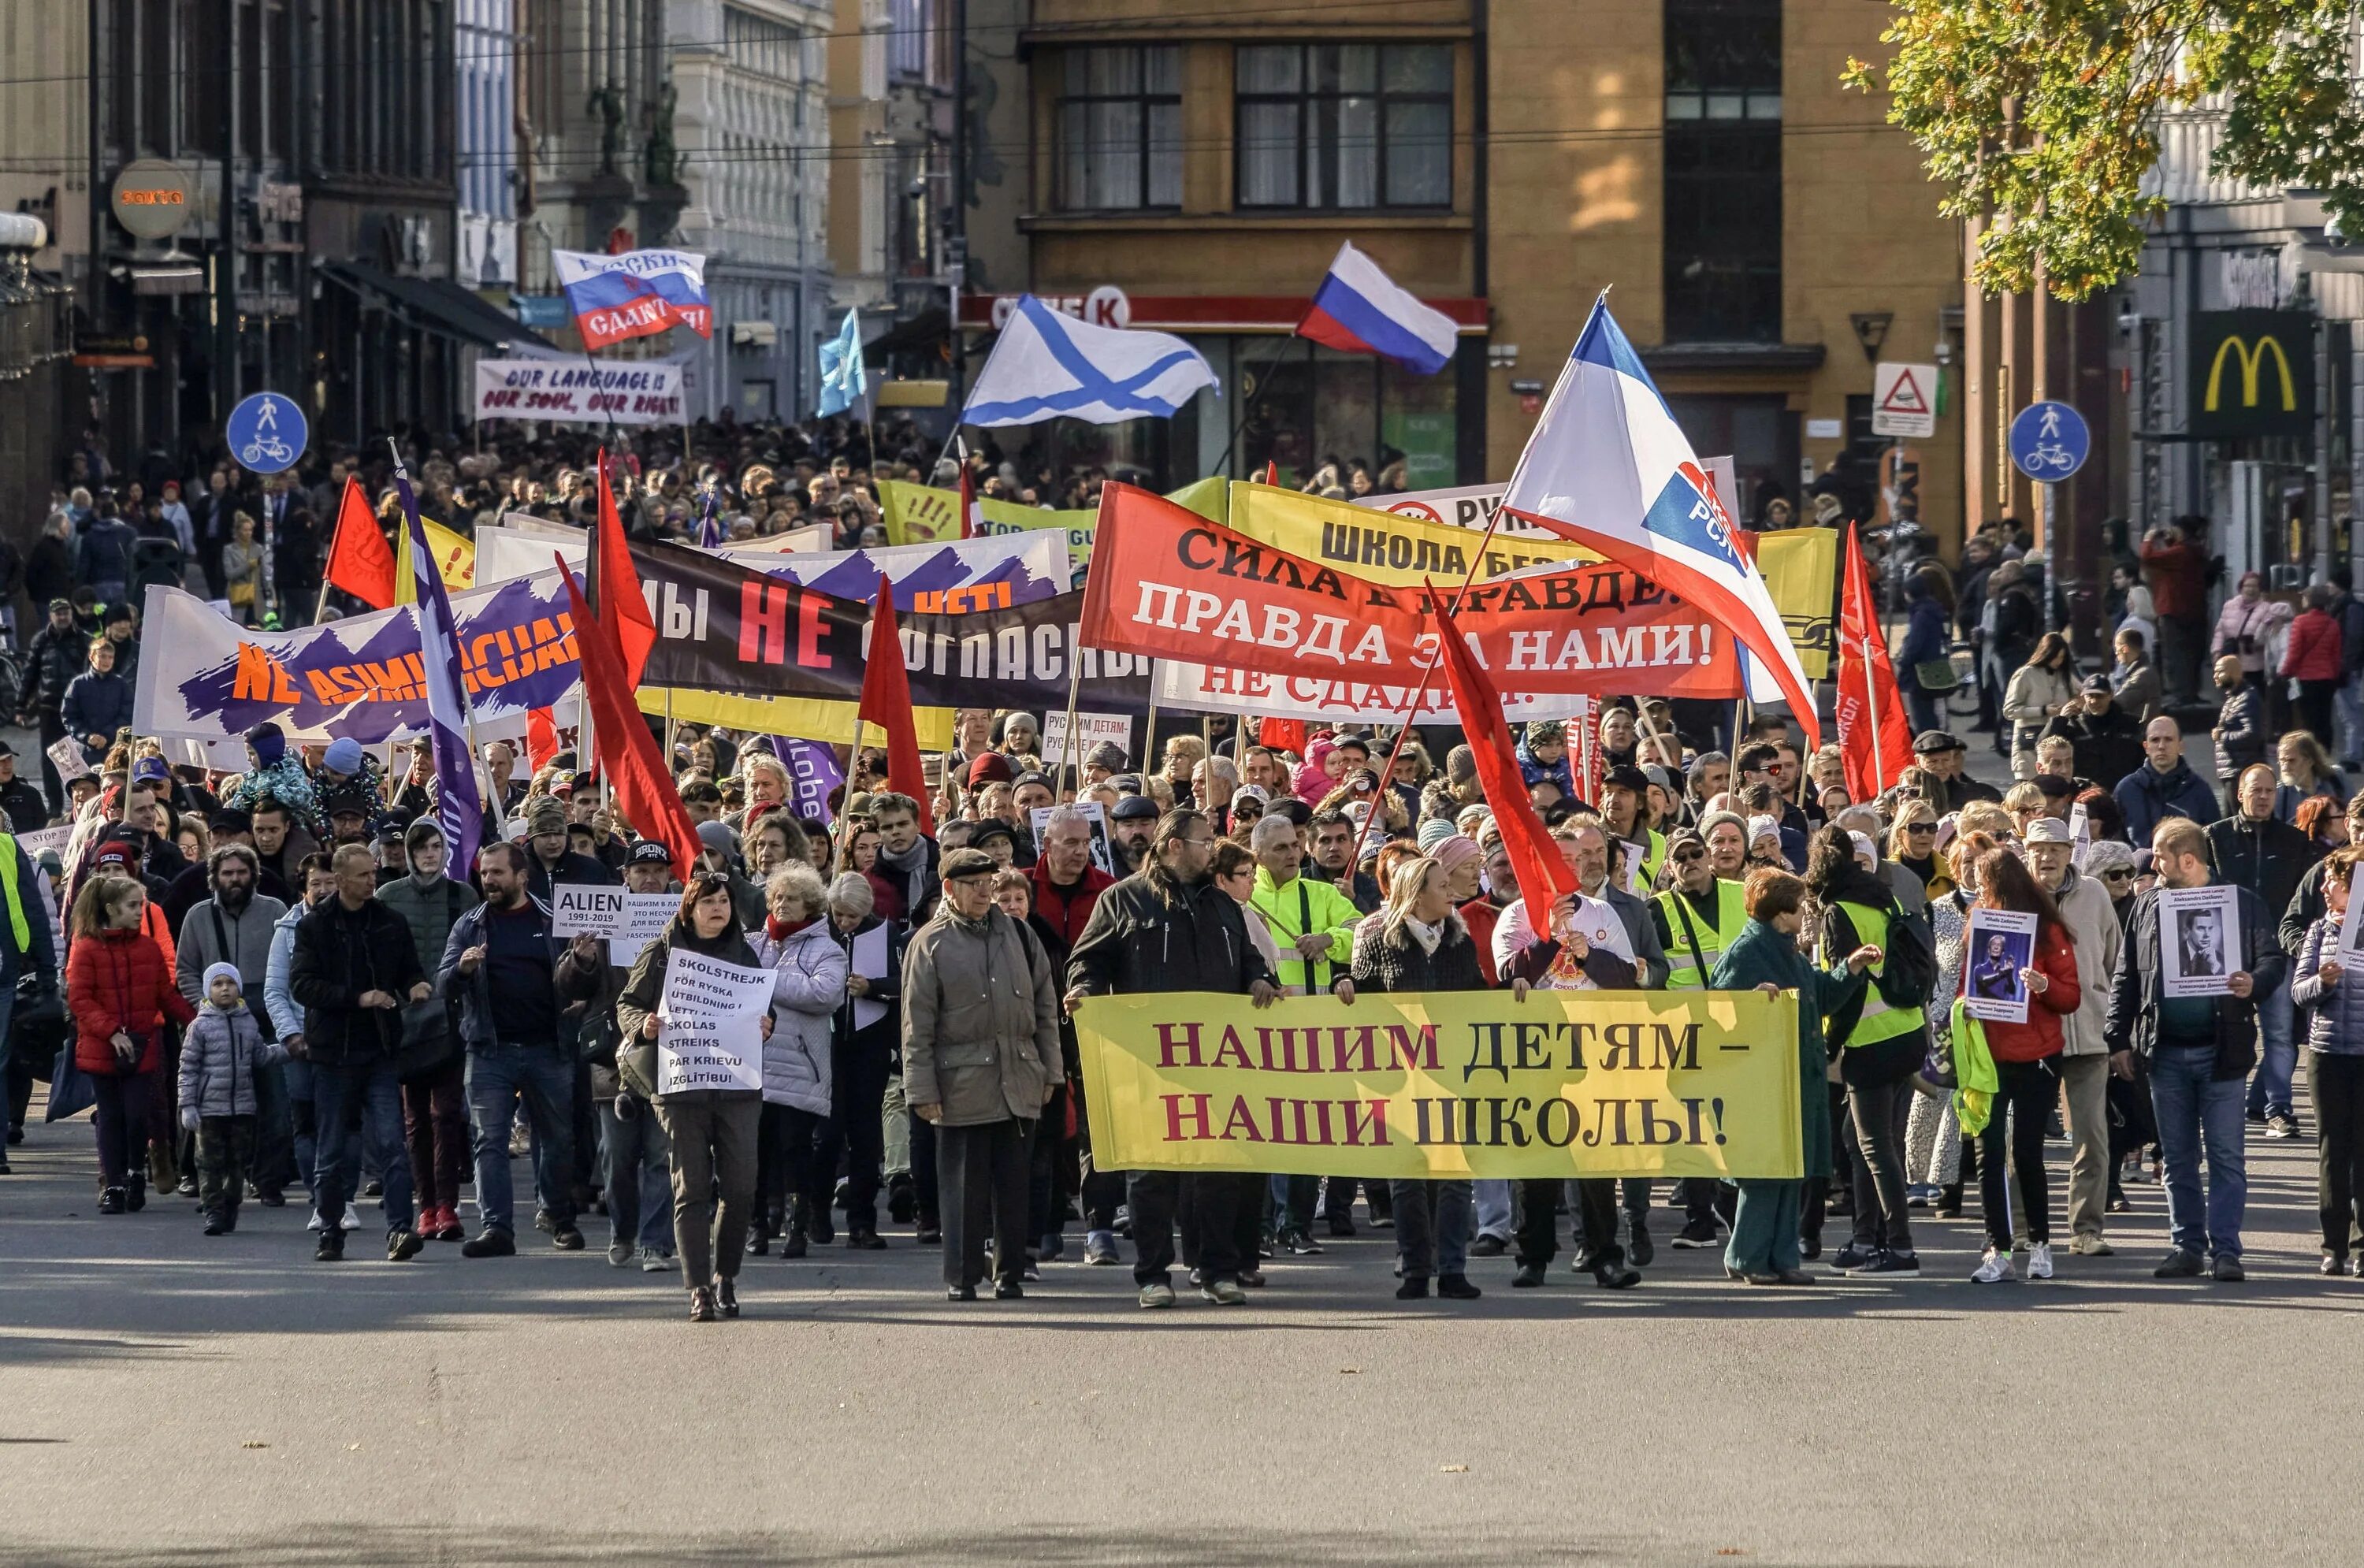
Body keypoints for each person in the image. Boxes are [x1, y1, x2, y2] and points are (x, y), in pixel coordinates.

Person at [1066, 808, 1280, 1310]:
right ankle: (1153, 1274)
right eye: (1205, 841)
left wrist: (1258, 979)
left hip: (1218, 1061)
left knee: (1219, 1170)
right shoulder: (1123, 899)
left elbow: (1249, 957)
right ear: (1173, 846)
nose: (1213, 850)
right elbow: (1089, 959)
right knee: (1152, 1174)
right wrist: (1083, 990)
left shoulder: (1223, 905)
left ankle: (1216, 1270)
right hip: (1150, 1059)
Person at [2106, 818, 2285, 1282]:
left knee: (2226, 1157)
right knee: (2179, 1158)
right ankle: (2186, 1246)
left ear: (2188, 860)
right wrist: (2117, 1039)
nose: (2153, 864)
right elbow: (2126, 975)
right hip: (2163, 1053)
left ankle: (2227, 1251)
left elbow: (2272, 958)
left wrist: (2253, 983)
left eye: (2160, 857)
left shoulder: (2240, 904)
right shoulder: (2147, 907)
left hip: (2222, 1052)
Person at [903, 846, 1063, 1300]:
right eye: (973, 885)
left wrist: (1051, 1070)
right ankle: (963, 1276)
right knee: (963, 1190)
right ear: (949, 889)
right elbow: (917, 1024)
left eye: (988, 884)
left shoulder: (1019, 932)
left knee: (1015, 1185)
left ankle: (1009, 1273)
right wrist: (921, 1089)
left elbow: (1045, 1007)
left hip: (1019, 1077)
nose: (983, 892)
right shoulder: (929, 943)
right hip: (960, 1084)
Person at [616, 871, 771, 1323]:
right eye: (708, 902)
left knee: (741, 1187)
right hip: (681, 1086)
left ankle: (726, 1276)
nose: (718, 909)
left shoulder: (743, 953)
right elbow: (627, 1003)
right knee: (693, 1187)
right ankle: (699, 1287)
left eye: (724, 901)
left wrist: (768, 1024)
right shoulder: (663, 953)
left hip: (737, 1086)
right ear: (689, 907)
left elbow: (765, 1007)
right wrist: (641, 1023)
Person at [1711, 868, 1878, 1285]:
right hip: (1762, 1084)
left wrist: (1850, 969)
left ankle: (1782, 1258)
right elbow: (1717, 1012)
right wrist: (1750, 1003)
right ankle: (1747, 1257)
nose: (1806, 912)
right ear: (1778, 910)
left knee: (1791, 1170)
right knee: (1765, 1172)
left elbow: (1818, 994)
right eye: (1799, 905)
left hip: (1797, 1082)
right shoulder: (1746, 952)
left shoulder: (1789, 951)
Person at [1347, 854, 1489, 1302]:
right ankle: (1414, 1269)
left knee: (1452, 1179)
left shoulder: (1460, 943)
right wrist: (1341, 984)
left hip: (1450, 1078)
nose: (1451, 892)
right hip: (1398, 1080)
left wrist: (1513, 991)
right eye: (1441, 885)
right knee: (1407, 1179)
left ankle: (1451, 1270)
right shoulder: (1380, 944)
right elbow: (1363, 992)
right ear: (1416, 893)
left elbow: (1478, 1002)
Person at [437, 839, 582, 1257]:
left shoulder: (555, 919)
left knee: (556, 1138)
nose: (489, 880)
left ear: (522, 876)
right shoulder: (470, 925)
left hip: (547, 1048)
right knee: (489, 1140)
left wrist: (584, 963)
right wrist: (463, 969)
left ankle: (557, 1217)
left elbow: (584, 981)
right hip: (489, 1050)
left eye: (498, 873)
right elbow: (443, 984)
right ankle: (497, 1228)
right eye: (484, 873)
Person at [288, 843, 431, 1262]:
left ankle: (400, 1229)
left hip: (380, 1050)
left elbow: (409, 969)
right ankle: (330, 1229)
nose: (372, 880)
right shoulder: (315, 927)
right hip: (333, 1054)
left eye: (373, 873)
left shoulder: (390, 921)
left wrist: (415, 986)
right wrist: (357, 998)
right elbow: (302, 985)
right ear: (341, 879)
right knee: (332, 1147)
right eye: (363, 875)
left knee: (391, 1142)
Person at [1807, 825, 1927, 1275]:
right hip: (1907, 1031)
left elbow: (1847, 986)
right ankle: (1866, 1239)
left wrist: (1830, 1043)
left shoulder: (1840, 911)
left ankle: (1899, 1245)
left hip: (1871, 1042)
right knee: (1866, 1144)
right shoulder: (1883, 898)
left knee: (1874, 1147)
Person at [1959, 845, 2081, 1284]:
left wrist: (2043, 984)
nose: (1974, 887)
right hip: (1989, 1060)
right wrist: (1965, 1008)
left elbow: (2071, 997)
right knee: (1987, 1154)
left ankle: (2041, 1245)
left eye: (1980, 880)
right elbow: (1963, 987)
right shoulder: (1977, 923)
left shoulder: (2047, 930)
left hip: (2037, 1059)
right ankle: (1998, 1249)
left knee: (2028, 1153)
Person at [2024, 817, 2125, 1256]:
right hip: (2031, 1038)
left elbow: (2114, 961)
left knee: (2091, 1137)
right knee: (2023, 1139)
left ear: (2071, 851)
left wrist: (2114, 1021)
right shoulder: (2014, 898)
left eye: (2056, 849)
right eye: (2038, 849)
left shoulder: (2096, 893)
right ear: (2026, 852)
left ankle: (2086, 1230)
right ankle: (2022, 1230)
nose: (2047, 857)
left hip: (2089, 1033)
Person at [69, 874, 199, 1213]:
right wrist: (111, 1031)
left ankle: (134, 1172)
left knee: (138, 1115)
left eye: (141, 904)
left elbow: (164, 995)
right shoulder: (86, 948)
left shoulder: (148, 948)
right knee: (111, 1117)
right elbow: (80, 1000)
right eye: (132, 906)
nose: (141, 912)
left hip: (141, 1045)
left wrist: (196, 1020)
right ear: (111, 909)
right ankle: (113, 1183)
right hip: (103, 1048)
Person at [377, 820, 480, 1244]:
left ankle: (448, 1207)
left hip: (452, 1019)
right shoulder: (388, 897)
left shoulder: (464, 895)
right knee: (416, 1118)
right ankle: (425, 1207)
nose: (429, 854)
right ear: (407, 851)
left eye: (436, 845)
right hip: (404, 1022)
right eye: (421, 847)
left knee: (448, 1113)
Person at [171, 842, 289, 1204]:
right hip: (212, 1020)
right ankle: (194, 1175)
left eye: (241, 872)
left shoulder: (275, 910)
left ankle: (267, 1180)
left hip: (264, 1014)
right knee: (205, 1100)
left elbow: (288, 963)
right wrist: (205, 1005)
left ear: (253, 875)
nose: (234, 879)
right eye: (227, 873)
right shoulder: (197, 916)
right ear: (214, 878)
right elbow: (185, 970)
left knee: (273, 1102)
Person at [2208, 762, 2319, 1139]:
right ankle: (2223, 1104)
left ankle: (2279, 1109)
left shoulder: (2294, 842)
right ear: (2240, 793)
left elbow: (2305, 902)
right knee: (2225, 1032)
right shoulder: (2215, 838)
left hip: (2277, 954)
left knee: (2280, 1035)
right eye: (2255, 790)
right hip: (2225, 954)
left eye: (2269, 791)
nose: (2262, 797)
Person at [749, 864, 850, 1259]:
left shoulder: (827, 949)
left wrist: (766, 980)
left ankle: (798, 1226)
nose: (782, 904)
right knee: (754, 1151)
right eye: (776, 897)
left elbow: (824, 994)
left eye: (791, 898)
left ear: (810, 905)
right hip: (753, 1069)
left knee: (794, 1149)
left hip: (799, 1069)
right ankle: (756, 1225)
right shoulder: (752, 943)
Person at [2292, 849, 2364, 1273]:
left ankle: (2362, 1246)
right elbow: (2297, 991)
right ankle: (2331, 1245)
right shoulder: (2320, 929)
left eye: (2333, 881)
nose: (2323, 888)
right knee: (2332, 1150)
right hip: (2328, 1052)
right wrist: (2323, 981)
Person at [823, 871, 901, 1250]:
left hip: (870, 1045)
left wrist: (872, 989)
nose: (843, 923)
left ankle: (862, 1220)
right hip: (830, 1044)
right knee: (828, 1131)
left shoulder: (884, 936)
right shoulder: (823, 933)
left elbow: (903, 985)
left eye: (851, 916)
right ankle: (817, 1214)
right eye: (838, 915)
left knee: (866, 1135)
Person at [178, 961, 287, 1235]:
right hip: (209, 1109)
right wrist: (188, 1105)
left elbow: (260, 1056)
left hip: (242, 1108)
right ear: (207, 991)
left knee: (237, 1163)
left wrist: (287, 1050)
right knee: (209, 1163)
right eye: (217, 984)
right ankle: (213, 1211)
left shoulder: (248, 1022)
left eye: (230, 983)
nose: (224, 989)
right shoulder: (199, 1027)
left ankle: (231, 1204)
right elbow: (188, 1068)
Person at [2115, 716, 2220, 846]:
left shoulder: (2200, 791)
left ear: (2180, 746)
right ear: (2146, 747)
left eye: (2168, 739)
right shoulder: (2126, 790)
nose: (2161, 746)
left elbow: (2215, 843)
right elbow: (2115, 843)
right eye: (2155, 740)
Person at [2042, 678, 2146, 796]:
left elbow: (2143, 760)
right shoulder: (2074, 725)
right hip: (2084, 796)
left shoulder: (2131, 724)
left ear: (2110, 695)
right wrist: (2060, 720)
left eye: (2099, 696)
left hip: (2125, 794)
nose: (2094, 701)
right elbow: (2044, 748)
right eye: (2090, 696)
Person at [2002, 632, 2078, 767]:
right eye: (2056, 657)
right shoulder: (2026, 674)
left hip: (2056, 740)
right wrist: (2042, 710)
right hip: (2029, 741)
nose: (2059, 662)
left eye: (2062, 658)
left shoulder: (2064, 675)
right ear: (2046, 653)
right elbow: (2009, 711)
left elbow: (2082, 692)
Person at [2285, 581, 2347, 744]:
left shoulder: (2300, 622)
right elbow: (2336, 654)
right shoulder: (2333, 624)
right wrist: (2334, 675)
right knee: (2324, 719)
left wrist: (2286, 671)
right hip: (2327, 678)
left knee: (2308, 720)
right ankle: (2325, 754)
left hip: (2306, 678)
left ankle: (2312, 757)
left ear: (2310, 600)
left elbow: (2295, 652)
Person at [61, 637, 132, 766]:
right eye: (102, 656)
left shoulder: (121, 685)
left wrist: (107, 735)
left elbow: (127, 715)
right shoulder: (79, 684)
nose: (106, 661)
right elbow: (69, 716)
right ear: (91, 657)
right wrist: (86, 736)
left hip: (114, 750)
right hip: (85, 750)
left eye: (110, 657)